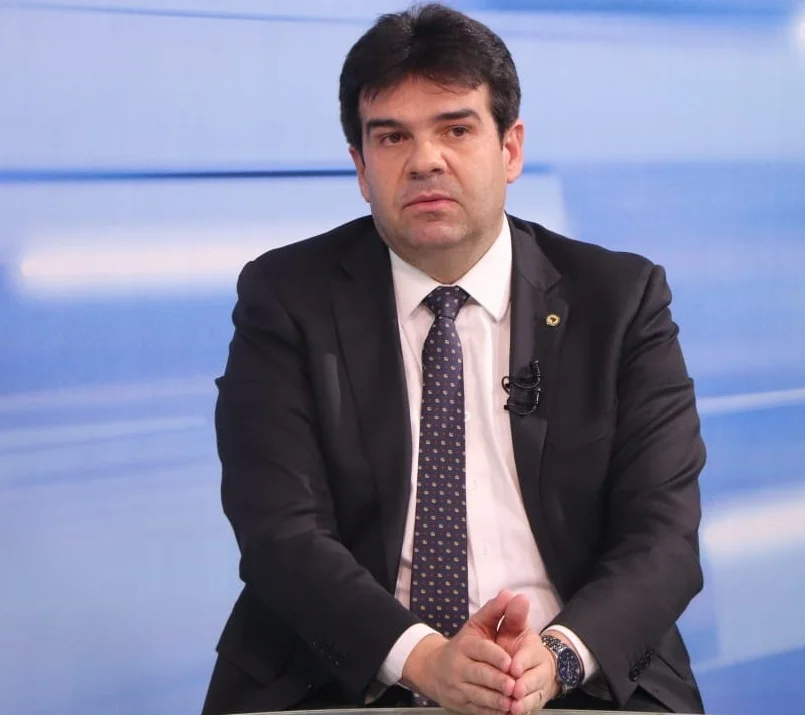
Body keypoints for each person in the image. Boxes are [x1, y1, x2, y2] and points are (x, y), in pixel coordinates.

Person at [202, 4, 706, 714]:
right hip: (346, 677)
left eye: (456, 129)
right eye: (391, 137)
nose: (425, 160)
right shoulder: (286, 297)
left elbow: (663, 535)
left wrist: (557, 657)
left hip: (571, 675)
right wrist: (425, 660)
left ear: (510, 148)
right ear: (360, 166)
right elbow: (279, 532)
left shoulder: (618, 300)